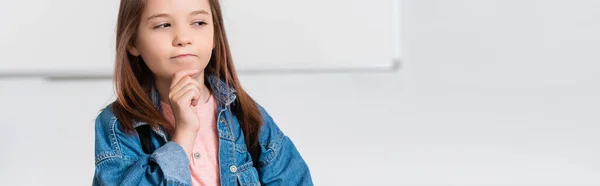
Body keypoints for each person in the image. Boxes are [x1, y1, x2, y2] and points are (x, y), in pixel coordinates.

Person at [93, 0, 313, 185]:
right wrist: (184, 134)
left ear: (215, 35)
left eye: (198, 22)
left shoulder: (247, 116)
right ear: (132, 42)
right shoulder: (117, 126)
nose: (183, 38)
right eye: (163, 25)